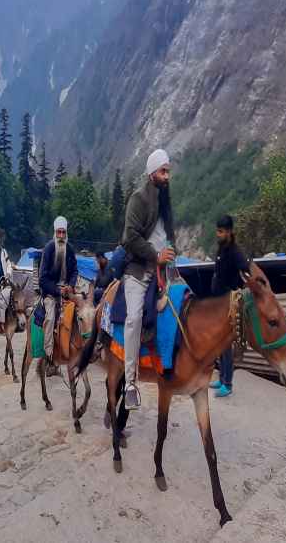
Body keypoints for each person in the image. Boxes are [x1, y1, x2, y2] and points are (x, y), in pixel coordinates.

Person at [121, 148, 176, 410]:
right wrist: (156, 256)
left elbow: (167, 238)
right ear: (152, 172)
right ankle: (130, 382)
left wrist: (170, 257)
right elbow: (129, 238)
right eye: (164, 171)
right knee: (133, 319)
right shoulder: (138, 199)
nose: (167, 176)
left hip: (163, 274)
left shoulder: (165, 203)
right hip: (139, 274)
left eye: (168, 171)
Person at [208, 215, 251, 398]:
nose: (218, 234)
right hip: (218, 302)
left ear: (229, 232)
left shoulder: (234, 251)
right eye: (217, 231)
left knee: (226, 343)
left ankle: (228, 383)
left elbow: (245, 268)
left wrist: (240, 289)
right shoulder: (222, 249)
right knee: (220, 342)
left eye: (221, 231)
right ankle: (222, 377)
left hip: (228, 302)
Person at [39, 217, 78, 366]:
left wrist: (71, 285)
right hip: (51, 292)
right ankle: (49, 354)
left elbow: (74, 270)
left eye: (63, 232)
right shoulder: (48, 249)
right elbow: (42, 278)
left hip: (68, 291)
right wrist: (57, 290)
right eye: (59, 233)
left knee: (84, 312)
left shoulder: (70, 249)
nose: (61, 236)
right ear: (55, 233)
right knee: (49, 318)